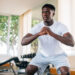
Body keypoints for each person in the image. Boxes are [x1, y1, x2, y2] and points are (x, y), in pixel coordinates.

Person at [21, 4, 74, 75]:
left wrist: (51, 33)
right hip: (42, 55)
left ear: (53, 13)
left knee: (65, 72)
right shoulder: (37, 27)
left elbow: (71, 43)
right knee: (29, 70)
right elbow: (23, 42)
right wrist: (38, 34)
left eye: (47, 12)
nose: (45, 14)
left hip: (58, 55)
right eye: (43, 12)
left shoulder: (61, 26)